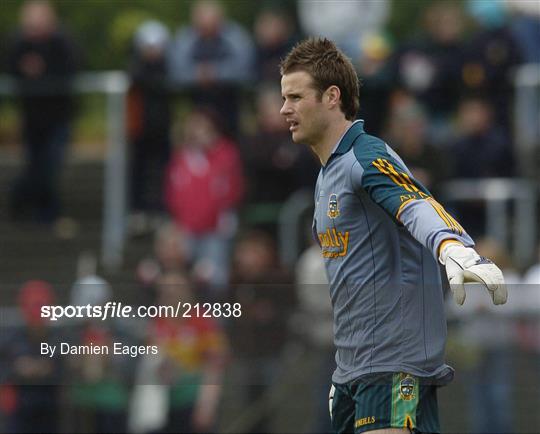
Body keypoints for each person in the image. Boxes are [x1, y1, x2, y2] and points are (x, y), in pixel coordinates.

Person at [279, 38, 507, 434]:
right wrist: (345, 372)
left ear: (332, 97)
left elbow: (415, 203)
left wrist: (452, 246)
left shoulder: (365, 156)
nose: (285, 109)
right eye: (284, 98)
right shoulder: (326, 174)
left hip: (394, 371)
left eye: (296, 97)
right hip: (355, 373)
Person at [6, 0, 79, 223]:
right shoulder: (18, 43)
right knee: (36, 165)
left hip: (58, 117)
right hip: (31, 118)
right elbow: (9, 66)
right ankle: (37, 210)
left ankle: (31, 206)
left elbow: (73, 66)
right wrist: (23, 68)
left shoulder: (62, 41)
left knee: (50, 164)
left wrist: (43, 70)